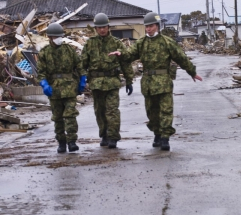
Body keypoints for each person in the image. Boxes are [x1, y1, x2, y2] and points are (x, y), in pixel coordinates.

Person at [109, 12, 202, 151]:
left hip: (163, 82)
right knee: (151, 112)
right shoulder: (141, 43)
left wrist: (192, 72)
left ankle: (165, 137)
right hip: (148, 83)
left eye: (151, 26)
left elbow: (181, 58)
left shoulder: (166, 42)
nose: (148, 29)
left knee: (166, 110)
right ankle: (157, 133)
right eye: (146, 26)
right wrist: (121, 54)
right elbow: (130, 55)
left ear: (157, 26)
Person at [81, 13, 134, 149]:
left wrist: (129, 80)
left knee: (112, 110)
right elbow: (82, 64)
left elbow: (125, 61)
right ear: (96, 29)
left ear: (108, 27)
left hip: (112, 82)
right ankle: (104, 134)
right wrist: (80, 79)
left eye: (104, 27)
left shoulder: (116, 43)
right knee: (99, 111)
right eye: (99, 28)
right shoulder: (90, 44)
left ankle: (113, 137)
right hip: (96, 83)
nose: (102, 30)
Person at [37, 22, 86, 153]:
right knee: (57, 117)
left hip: (70, 88)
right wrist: (44, 84)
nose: (58, 39)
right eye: (55, 36)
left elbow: (79, 65)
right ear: (49, 37)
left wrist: (82, 79)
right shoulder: (44, 53)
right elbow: (40, 72)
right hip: (54, 89)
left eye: (60, 36)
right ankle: (61, 142)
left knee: (70, 115)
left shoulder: (69, 50)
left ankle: (72, 141)